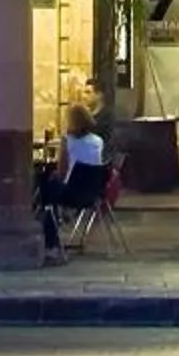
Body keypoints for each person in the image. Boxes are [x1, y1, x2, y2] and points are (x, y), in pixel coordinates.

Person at [36, 103, 107, 254]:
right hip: (93, 193)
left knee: (45, 188)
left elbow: (62, 172)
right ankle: (60, 218)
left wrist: (53, 174)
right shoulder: (98, 141)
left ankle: (51, 239)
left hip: (71, 194)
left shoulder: (67, 141)